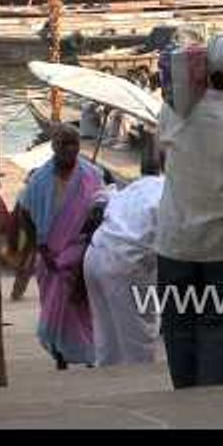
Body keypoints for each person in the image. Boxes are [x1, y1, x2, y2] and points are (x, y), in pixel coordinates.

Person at [155, 33, 223, 389]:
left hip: (174, 240)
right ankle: (215, 403)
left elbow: (160, 156)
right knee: (219, 325)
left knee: (178, 324)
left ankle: (186, 396)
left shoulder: (173, 111)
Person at [13, 124, 106, 370]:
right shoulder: (39, 179)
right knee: (54, 309)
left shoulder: (92, 175)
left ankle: (88, 354)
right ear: (54, 146)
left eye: (73, 143)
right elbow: (24, 212)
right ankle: (60, 355)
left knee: (82, 307)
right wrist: (39, 247)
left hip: (81, 250)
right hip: (49, 255)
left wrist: (88, 246)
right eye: (64, 143)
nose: (69, 149)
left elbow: (101, 210)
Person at [83, 147, 164, 367]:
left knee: (106, 338)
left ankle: (107, 380)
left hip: (95, 255)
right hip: (124, 263)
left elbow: (102, 198)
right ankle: (138, 389)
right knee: (138, 341)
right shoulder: (168, 192)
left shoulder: (129, 188)